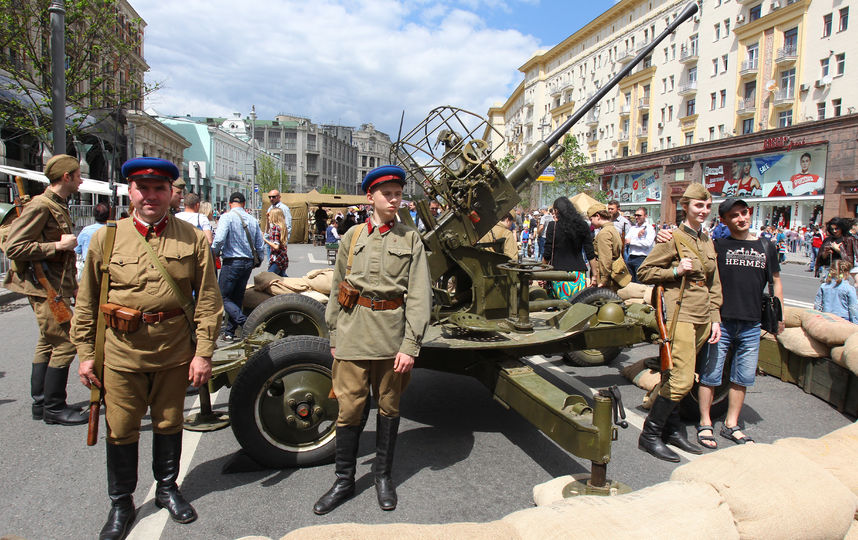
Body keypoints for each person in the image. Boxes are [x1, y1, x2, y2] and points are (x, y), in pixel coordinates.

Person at [71, 157, 223, 539]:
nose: (151, 196)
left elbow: (208, 301)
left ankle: (167, 489)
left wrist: (203, 352)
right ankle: (121, 503)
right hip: (121, 354)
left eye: (159, 188)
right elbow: (87, 300)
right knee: (121, 430)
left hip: (173, 353)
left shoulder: (191, 239)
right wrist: (85, 353)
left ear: (172, 193)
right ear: (131, 191)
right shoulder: (108, 237)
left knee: (169, 423)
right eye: (143, 188)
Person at [315, 165, 431, 515]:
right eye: (387, 194)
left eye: (398, 194)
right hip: (352, 334)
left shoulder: (410, 239)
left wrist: (410, 345)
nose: (394, 200)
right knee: (349, 410)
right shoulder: (351, 236)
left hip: (391, 337)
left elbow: (419, 295)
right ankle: (344, 480)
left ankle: (382, 477)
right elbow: (337, 289)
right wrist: (333, 333)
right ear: (371, 198)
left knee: (389, 407)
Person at [659, 197, 784, 448]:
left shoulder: (766, 246)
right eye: (734, 215)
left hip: (751, 323)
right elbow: (687, 250)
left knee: (742, 377)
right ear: (725, 220)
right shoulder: (716, 245)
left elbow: (776, 281)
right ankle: (705, 422)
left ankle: (731, 424)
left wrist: (779, 316)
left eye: (744, 213)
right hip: (720, 321)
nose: (741, 218)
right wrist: (664, 236)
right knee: (710, 375)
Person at [637, 183, 722, 462]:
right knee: (683, 379)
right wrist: (675, 269)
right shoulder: (672, 238)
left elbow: (714, 283)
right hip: (680, 313)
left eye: (708, 206)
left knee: (676, 375)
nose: (704, 211)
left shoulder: (707, 240)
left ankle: (672, 430)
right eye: (698, 206)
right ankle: (650, 434)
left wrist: (715, 317)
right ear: (685, 206)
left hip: (701, 316)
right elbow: (644, 272)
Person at [2, 154, 89, 425]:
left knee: (47, 341)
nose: (80, 180)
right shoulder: (41, 206)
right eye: (77, 175)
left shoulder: (55, 204)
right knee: (66, 341)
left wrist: (73, 286)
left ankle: (41, 403)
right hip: (44, 287)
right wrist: (57, 246)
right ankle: (54, 406)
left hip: (54, 284)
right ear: (66, 177)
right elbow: (14, 247)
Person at [211, 192, 265, 342]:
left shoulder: (227, 217)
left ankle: (246, 322)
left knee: (222, 296)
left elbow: (220, 239)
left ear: (229, 204)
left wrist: (213, 253)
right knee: (237, 298)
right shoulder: (253, 220)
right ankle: (229, 332)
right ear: (244, 204)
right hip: (247, 262)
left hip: (232, 261)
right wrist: (259, 259)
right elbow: (259, 244)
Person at [542, 197, 594, 299]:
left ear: (556, 211)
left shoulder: (553, 226)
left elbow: (547, 253)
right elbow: (590, 253)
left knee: (560, 308)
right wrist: (595, 275)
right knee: (577, 305)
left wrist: (542, 271)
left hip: (558, 274)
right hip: (578, 275)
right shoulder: (583, 225)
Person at [589, 203, 625, 291]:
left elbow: (605, 259)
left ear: (597, 216)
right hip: (611, 272)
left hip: (604, 276)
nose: (591, 222)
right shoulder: (612, 229)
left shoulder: (604, 233)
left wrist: (603, 280)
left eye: (591, 219)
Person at [76, 203, 110, 278]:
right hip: (108, 267)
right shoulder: (113, 230)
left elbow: (78, 249)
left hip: (88, 265)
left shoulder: (86, 230)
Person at [626, 206, 655, 283]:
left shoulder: (649, 228)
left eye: (639, 215)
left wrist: (633, 241)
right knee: (631, 282)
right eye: (635, 215)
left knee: (640, 282)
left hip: (641, 258)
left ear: (645, 216)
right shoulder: (633, 228)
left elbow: (648, 243)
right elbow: (626, 240)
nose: (636, 217)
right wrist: (637, 237)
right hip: (631, 257)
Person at [264, 207, 289, 277]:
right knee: (282, 279)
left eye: (270, 216)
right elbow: (267, 230)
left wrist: (265, 240)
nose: (269, 217)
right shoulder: (282, 227)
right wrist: (267, 219)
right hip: (282, 258)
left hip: (276, 259)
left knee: (268, 278)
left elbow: (276, 246)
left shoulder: (275, 228)